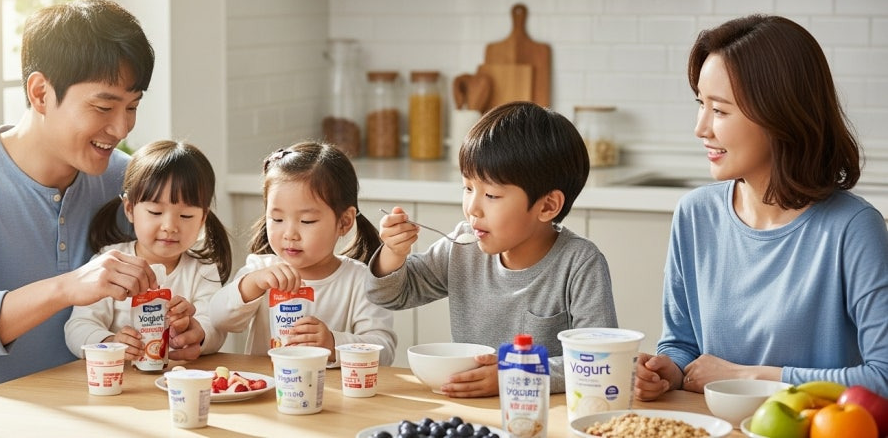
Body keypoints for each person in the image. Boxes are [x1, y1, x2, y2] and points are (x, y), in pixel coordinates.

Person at [0, 0, 203, 405]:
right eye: (103, 106)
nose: (121, 126)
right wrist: (65, 288)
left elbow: (174, 281)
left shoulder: (128, 181)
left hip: (104, 419)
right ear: (40, 93)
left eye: (133, 106)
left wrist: (186, 330)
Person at [635, 14, 888, 401]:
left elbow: (882, 378)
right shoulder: (694, 215)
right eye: (701, 104)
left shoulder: (853, 229)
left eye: (719, 110)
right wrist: (667, 370)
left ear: (780, 115)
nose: (700, 128)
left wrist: (752, 377)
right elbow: (681, 344)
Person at [366, 101, 618, 397]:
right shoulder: (462, 247)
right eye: (468, 188)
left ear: (548, 206)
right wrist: (394, 253)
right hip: (470, 413)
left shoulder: (579, 264)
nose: (473, 208)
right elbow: (388, 295)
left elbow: (605, 358)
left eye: (492, 195)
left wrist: (517, 376)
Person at [209, 141, 397, 366]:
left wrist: (334, 344)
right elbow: (218, 319)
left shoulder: (358, 280)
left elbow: (384, 350)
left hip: (333, 397)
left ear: (344, 222)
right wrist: (252, 285)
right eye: (277, 219)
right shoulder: (260, 271)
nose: (290, 234)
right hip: (268, 394)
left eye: (307, 221)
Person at [64, 140, 232, 361]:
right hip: (119, 386)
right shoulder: (111, 264)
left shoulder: (203, 271)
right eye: (155, 212)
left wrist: (196, 332)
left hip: (177, 386)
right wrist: (109, 343)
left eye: (186, 216)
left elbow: (216, 328)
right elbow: (78, 326)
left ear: (202, 219)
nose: (170, 226)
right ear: (130, 209)